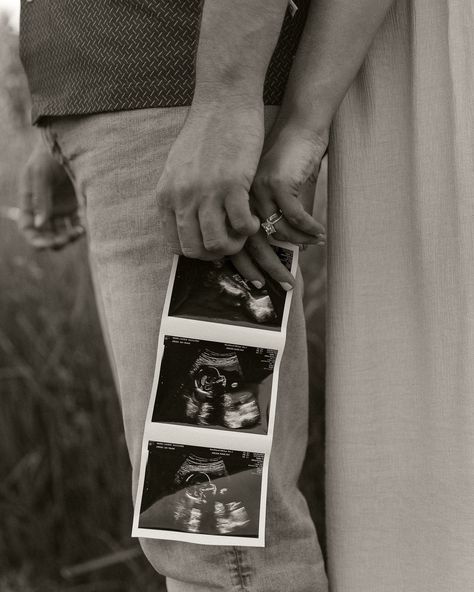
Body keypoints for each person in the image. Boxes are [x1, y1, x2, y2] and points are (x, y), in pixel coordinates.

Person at [17, 0, 474, 591]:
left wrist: (222, 104)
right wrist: (63, 113)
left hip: (184, 116)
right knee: (209, 528)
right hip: (136, 107)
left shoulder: (201, 109)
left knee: (216, 533)